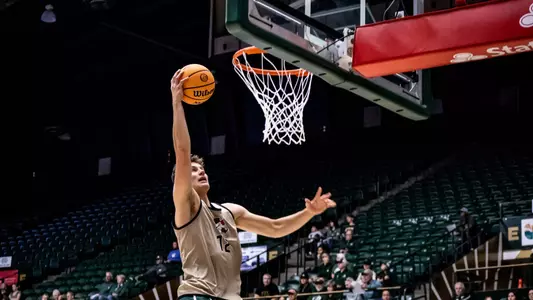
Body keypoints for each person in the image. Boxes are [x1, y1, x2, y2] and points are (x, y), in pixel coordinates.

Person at [169, 70, 336, 300]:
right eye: (193, 170)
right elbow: (182, 151)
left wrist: (308, 212)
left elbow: (276, 228)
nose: (201, 172)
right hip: (198, 295)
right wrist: (177, 103)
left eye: (202, 168)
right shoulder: (186, 205)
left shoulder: (230, 211)